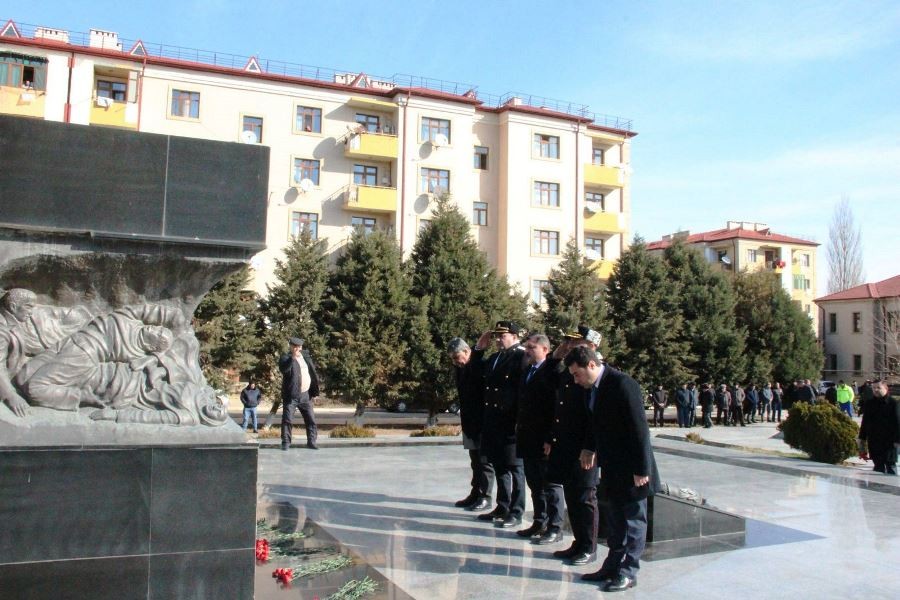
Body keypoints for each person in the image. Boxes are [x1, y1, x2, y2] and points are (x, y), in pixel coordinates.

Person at [567, 346, 660, 593]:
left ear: (591, 365)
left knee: (632, 522)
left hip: (632, 469)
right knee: (616, 520)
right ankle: (611, 566)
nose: (575, 381)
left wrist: (642, 468)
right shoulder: (594, 389)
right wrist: (589, 447)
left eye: (577, 374)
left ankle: (628, 572)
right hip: (612, 465)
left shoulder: (622, 384)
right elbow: (595, 422)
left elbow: (639, 428)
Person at [546, 327, 601, 568]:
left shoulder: (595, 373)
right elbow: (548, 377)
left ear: (592, 345)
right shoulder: (570, 370)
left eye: (576, 342)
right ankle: (578, 543)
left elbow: (594, 416)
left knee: (585, 497)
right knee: (571, 494)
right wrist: (558, 353)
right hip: (565, 444)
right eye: (570, 342)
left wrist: (590, 447)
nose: (572, 346)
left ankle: (589, 547)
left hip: (584, 447)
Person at [476, 321, 527, 528]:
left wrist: (519, 422)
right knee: (500, 467)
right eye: (496, 336)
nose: (498, 340)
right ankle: (502, 506)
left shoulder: (521, 357)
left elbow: (523, 392)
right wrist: (479, 348)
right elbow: (478, 373)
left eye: (502, 336)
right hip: (494, 421)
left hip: (510, 423)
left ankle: (516, 511)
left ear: (514, 336)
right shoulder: (496, 358)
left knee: (516, 469)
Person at [515, 333, 564, 543]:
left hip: (544, 438)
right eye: (527, 346)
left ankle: (555, 526)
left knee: (549, 484)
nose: (527, 350)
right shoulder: (528, 370)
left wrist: (551, 438)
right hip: (528, 436)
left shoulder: (552, 370)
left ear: (545, 350)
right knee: (534, 482)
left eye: (532, 347)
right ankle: (539, 520)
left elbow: (555, 408)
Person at [448, 336, 494, 511]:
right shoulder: (460, 368)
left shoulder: (478, 365)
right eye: (452, 358)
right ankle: (475, 492)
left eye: (456, 357)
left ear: (467, 352)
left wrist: (477, 351)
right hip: (469, 424)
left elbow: (476, 368)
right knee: (475, 462)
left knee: (484, 462)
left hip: (482, 423)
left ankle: (486, 496)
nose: (455, 362)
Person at [279, 337, 321, 450]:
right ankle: (286, 442)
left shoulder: (306, 357)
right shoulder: (285, 358)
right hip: (291, 395)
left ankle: (312, 441)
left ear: (301, 347)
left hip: (305, 395)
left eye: (299, 347)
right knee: (287, 420)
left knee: (311, 419)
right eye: (294, 347)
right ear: (291, 346)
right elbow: (284, 370)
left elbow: (312, 374)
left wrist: (315, 392)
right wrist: (292, 358)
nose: (297, 349)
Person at [857, 379, 899, 474]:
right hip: (874, 441)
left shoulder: (893, 404)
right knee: (877, 467)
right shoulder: (869, 404)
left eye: (878, 388)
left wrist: (897, 440)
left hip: (889, 443)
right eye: (874, 388)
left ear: (886, 388)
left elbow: (898, 423)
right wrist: (861, 438)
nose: (876, 390)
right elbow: (865, 423)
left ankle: (892, 488)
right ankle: (878, 488)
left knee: (890, 467)